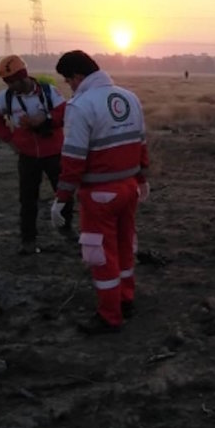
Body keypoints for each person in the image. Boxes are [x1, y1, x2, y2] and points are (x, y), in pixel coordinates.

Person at [51, 50, 149, 334]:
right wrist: (141, 178)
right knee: (124, 246)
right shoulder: (130, 97)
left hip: (98, 195)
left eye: (69, 80)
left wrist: (61, 198)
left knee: (101, 255)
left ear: (78, 76)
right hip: (129, 188)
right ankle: (126, 300)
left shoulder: (80, 106)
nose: (70, 86)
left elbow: (73, 159)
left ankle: (109, 316)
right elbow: (140, 143)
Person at [0, 55, 75, 255]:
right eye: (6, 82)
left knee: (64, 193)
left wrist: (44, 119)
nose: (10, 86)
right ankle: (28, 240)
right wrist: (9, 139)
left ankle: (66, 228)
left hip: (54, 153)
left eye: (12, 81)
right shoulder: (6, 98)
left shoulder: (49, 92)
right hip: (27, 156)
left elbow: (65, 112)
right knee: (27, 200)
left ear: (23, 76)